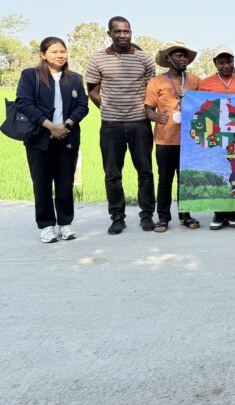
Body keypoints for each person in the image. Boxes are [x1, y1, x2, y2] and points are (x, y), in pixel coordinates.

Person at [86, 16, 156, 235]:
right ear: (109, 34)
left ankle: (146, 215)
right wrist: (108, 108)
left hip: (140, 124)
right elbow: (93, 90)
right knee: (112, 174)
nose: (123, 35)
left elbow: (151, 90)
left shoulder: (145, 58)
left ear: (131, 32)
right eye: (118, 31)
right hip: (111, 125)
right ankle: (117, 217)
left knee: (145, 171)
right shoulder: (97, 59)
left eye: (126, 31)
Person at [17, 37, 89, 243]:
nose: (60, 55)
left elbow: (82, 106)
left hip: (67, 137)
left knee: (66, 183)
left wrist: (66, 125)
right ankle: (47, 225)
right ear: (43, 55)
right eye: (54, 51)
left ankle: (65, 223)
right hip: (40, 138)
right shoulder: (31, 76)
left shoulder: (75, 78)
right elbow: (24, 104)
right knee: (42, 183)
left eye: (63, 51)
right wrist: (50, 126)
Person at [144, 42, 201, 233]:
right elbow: (148, 109)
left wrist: (191, 103)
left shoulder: (194, 80)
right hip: (165, 139)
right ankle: (163, 218)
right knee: (165, 180)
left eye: (185, 56)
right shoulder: (156, 82)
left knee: (185, 180)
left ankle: (185, 215)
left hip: (188, 140)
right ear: (169, 59)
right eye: (179, 55)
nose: (184, 59)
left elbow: (203, 106)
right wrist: (156, 117)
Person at [199, 45, 235, 229]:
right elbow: (201, 108)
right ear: (215, 63)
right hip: (216, 136)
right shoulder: (205, 84)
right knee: (218, 172)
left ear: (233, 61)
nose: (225, 65)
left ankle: (232, 212)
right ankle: (218, 214)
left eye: (228, 61)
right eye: (221, 62)